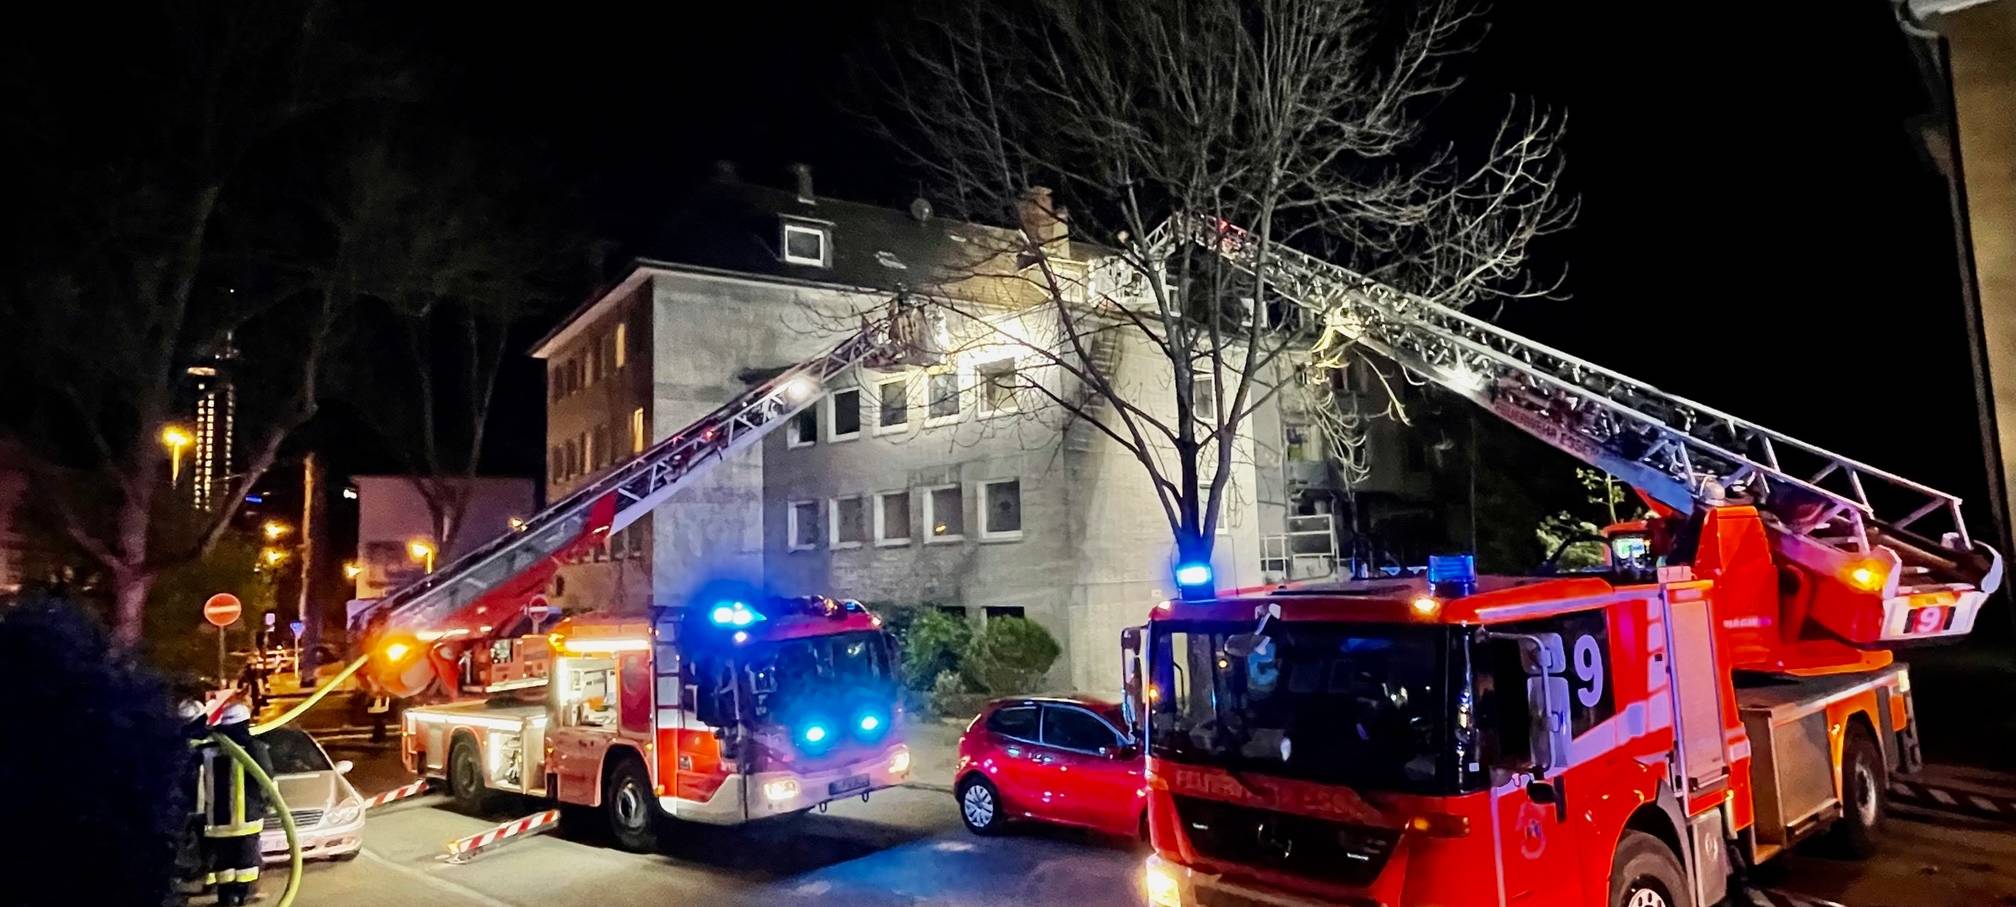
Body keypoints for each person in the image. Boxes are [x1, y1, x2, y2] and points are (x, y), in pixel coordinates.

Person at [199, 699, 275, 906]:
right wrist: (267, 804)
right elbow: (267, 778)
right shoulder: (253, 748)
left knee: (224, 866)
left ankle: (226, 899)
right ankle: (241, 897)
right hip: (246, 820)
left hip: (218, 822)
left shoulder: (209, 749)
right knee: (245, 866)